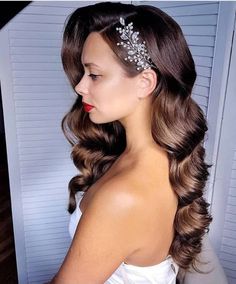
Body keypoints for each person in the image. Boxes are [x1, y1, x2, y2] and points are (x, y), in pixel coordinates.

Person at [49, 2, 215, 283]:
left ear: (144, 82)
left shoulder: (122, 197)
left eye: (94, 74)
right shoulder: (154, 159)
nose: (80, 87)